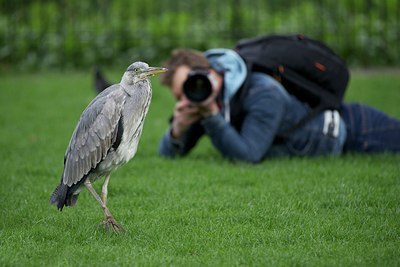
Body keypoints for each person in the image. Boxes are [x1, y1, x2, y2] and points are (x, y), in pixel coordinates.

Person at [157, 48, 400, 163]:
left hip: (354, 130)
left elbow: (248, 155)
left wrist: (211, 115)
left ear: (209, 72)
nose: (189, 98)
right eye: (181, 96)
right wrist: (177, 130)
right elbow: (165, 155)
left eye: (192, 85)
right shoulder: (205, 101)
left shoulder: (262, 92)